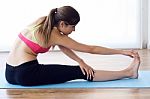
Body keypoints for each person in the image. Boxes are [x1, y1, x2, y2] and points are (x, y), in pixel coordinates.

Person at [6, 6, 140, 86]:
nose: (74, 30)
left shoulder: (43, 21)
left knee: (78, 67)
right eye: (73, 26)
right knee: (80, 72)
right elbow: (91, 49)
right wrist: (122, 52)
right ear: (63, 24)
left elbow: (62, 46)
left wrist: (80, 60)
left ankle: (128, 72)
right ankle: (128, 73)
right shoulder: (55, 35)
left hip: (9, 73)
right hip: (26, 74)